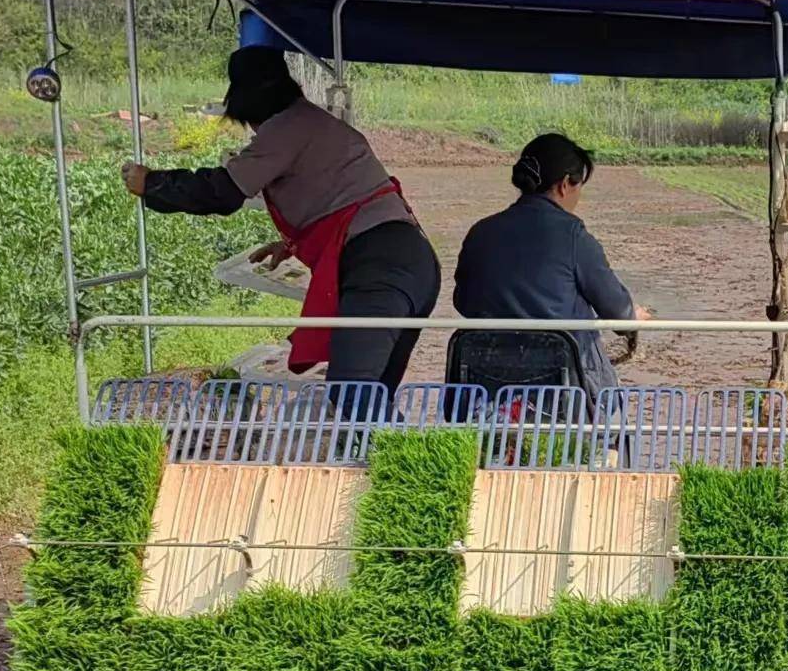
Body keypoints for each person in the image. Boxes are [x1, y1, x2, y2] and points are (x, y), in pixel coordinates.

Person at [120, 46, 438, 405]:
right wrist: (291, 244)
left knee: (354, 395)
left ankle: (395, 460)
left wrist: (154, 183)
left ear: (247, 105)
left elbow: (223, 192)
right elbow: (339, 197)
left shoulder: (287, 128)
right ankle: (388, 457)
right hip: (409, 262)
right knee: (371, 396)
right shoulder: (311, 123)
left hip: (382, 268)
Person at [453, 133, 651, 403]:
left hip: (486, 388)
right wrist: (632, 316)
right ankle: (609, 445)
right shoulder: (573, 237)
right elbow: (617, 311)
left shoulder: (480, 233)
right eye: (579, 186)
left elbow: (463, 302)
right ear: (565, 185)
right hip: (564, 392)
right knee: (612, 419)